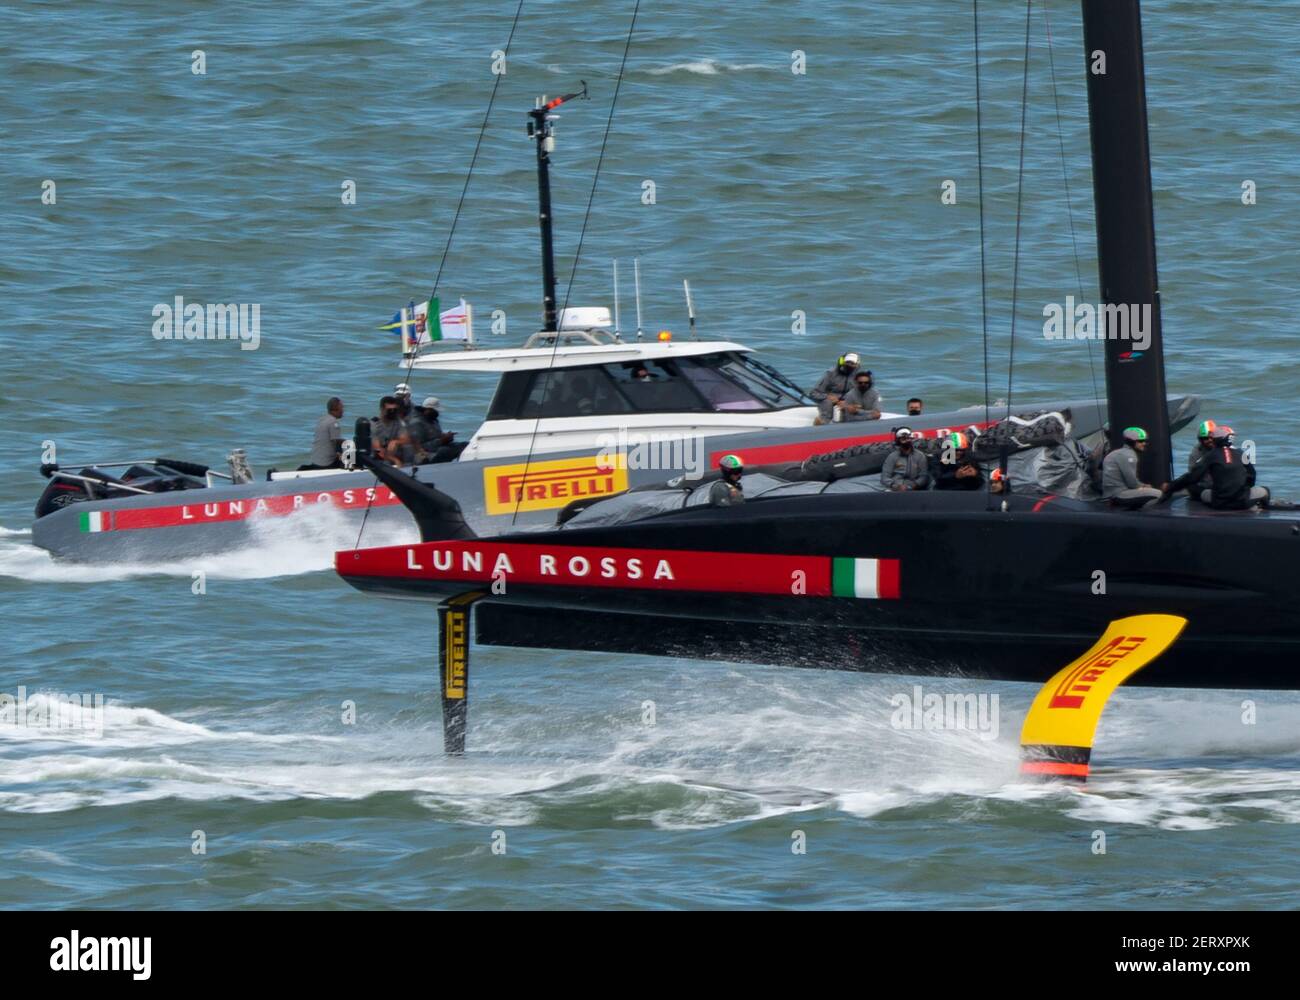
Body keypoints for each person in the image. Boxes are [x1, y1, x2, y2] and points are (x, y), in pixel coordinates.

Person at [1162, 425, 1269, 510]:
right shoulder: (1241, 453)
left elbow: (1192, 477)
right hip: (1242, 502)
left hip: (1219, 503)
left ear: (1216, 440)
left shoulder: (1211, 455)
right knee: (1266, 490)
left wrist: (1171, 487)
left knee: (1198, 491)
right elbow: (1252, 476)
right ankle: (1263, 511)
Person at [1101, 426, 1162, 509]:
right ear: (1131, 442)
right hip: (1118, 494)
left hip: (1112, 493)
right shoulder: (1129, 456)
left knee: (1148, 490)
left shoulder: (1120, 452)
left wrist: (1143, 485)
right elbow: (1132, 483)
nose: (1144, 443)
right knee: (1159, 494)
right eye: (1141, 441)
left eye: (1145, 441)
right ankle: (1142, 515)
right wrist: (1143, 487)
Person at [408, 396, 467, 464]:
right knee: (445, 451)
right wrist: (441, 441)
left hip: (437, 447)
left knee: (464, 445)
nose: (438, 413)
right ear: (428, 410)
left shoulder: (433, 420)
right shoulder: (417, 423)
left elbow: (435, 436)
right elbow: (420, 447)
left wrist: (446, 437)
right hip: (424, 454)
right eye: (436, 411)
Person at [809, 353, 861, 423]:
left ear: (857, 365)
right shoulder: (830, 374)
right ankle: (822, 423)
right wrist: (827, 396)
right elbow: (813, 393)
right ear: (842, 362)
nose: (849, 365)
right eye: (847, 362)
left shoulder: (859, 377)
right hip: (828, 400)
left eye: (852, 363)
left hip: (846, 401)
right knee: (827, 402)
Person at [300, 397, 345, 470]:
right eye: (342, 408)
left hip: (316, 460)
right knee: (350, 447)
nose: (343, 411)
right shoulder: (334, 423)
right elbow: (338, 443)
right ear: (335, 409)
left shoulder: (322, 419)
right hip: (326, 464)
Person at [371, 395, 413, 466]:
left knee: (408, 446)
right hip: (379, 457)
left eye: (395, 410)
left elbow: (406, 439)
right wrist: (394, 459)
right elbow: (377, 449)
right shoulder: (374, 424)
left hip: (393, 453)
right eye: (390, 410)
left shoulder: (398, 422)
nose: (392, 412)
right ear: (382, 409)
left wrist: (396, 442)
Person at [1186, 419, 1217, 498]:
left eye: (1212, 438)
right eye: (1206, 438)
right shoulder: (1195, 453)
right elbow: (1192, 473)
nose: (1209, 440)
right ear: (1200, 440)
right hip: (1204, 486)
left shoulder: (1223, 448)